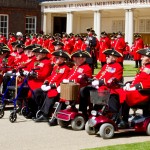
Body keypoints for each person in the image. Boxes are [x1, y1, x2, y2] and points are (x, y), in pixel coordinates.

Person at [79, 48, 123, 120]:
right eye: (106, 56)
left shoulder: (118, 66)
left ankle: (96, 111)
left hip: (108, 88)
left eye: (108, 56)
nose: (106, 57)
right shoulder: (105, 66)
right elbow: (99, 76)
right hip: (99, 86)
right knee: (83, 90)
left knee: (101, 92)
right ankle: (83, 111)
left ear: (114, 57)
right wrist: (93, 79)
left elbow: (115, 79)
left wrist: (100, 82)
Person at [33, 50, 70, 123]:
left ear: (63, 59)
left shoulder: (66, 68)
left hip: (57, 88)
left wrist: (52, 85)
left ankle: (45, 114)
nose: (56, 59)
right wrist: (46, 82)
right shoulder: (56, 67)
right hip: (50, 86)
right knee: (37, 92)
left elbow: (63, 79)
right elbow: (51, 77)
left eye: (58, 58)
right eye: (56, 58)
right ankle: (39, 110)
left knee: (51, 93)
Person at [117, 48, 150, 128]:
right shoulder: (144, 67)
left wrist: (135, 87)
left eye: (143, 56)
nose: (141, 58)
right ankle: (118, 117)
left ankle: (124, 120)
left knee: (125, 95)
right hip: (139, 91)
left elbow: (148, 83)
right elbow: (138, 79)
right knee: (119, 92)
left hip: (144, 93)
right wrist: (129, 83)